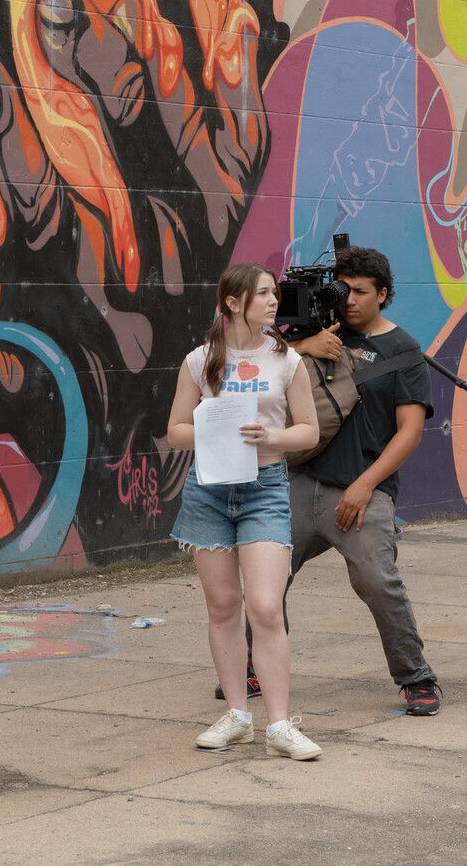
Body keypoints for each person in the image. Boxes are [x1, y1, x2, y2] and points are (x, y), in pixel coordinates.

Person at [166, 264, 323, 760]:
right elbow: (174, 431)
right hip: (209, 489)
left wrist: (271, 437)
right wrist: (216, 429)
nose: (274, 301)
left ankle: (279, 724)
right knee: (222, 607)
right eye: (263, 294)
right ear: (233, 302)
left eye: (274, 293)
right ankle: (237, 716)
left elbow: (309, 431)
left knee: (265, 606)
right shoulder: (199, 360)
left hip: (265, 488)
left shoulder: (287, 361)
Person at [289, 247, 442, 715]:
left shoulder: (404, 351)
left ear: (384, 295)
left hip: (363, 488)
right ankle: (252, 666)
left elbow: (411, 431)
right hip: (299, 479)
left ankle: (417, 678)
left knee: (378, 581)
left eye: (360, 292)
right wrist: (300, 347)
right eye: (343, 290)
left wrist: (365, 486)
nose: (349, 300)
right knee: (263, 579)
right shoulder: (315, 333)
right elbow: (248, 365)